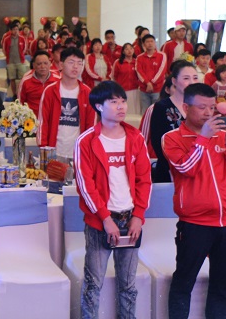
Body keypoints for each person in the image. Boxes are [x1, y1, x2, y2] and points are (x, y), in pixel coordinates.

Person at [163, 83, 226, 318]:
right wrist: (203, 139)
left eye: (212, 107)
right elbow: (185, 168)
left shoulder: (223, 135)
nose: (209, 113)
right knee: (183, 283)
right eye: (202, 108)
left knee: (222, 287)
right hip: (195, 225)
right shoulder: (172, 138)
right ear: (185, 108)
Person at [74, 81, 152, 319]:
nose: (121, 106)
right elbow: (85, 185)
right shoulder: (86, 140)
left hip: (130, 218)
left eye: (123, 101)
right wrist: (105, 218)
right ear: (99, 106)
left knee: (128, 285)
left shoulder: (135, 137)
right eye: (114, 101)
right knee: (93, 284)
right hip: (100, 222)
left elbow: (144, 180)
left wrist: (138, 215)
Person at [38, 47, 95, 163]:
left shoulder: (87, 92)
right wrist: (44, 148)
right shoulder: (50, 91)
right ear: (61, 65)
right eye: (71, 62)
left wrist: (88, 150)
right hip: (54, 151)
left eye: (80, 63)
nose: (76, 67)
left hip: (78, 152)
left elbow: (91, 126)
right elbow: (42, 122)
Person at [148, 60, 199, 182]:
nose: (192, 82)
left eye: (195, 78)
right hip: (169, 170)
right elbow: (158, 142)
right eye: (186, 78)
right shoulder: (161, 107)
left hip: (197, 168)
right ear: (174, 81)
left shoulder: (200, 106)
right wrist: (178, 165)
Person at [18, 50, 60, 116]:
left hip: (53, 117)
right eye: (39, 64)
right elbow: (19, 104)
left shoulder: (58, 80)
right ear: (34, 65)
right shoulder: (25, 81)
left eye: (45, 63)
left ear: (50, 64)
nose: (43, 67)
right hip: (32, 119)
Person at [135, 34, 168, 110]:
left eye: (151, 41)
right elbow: (139, 71)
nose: (150, 43)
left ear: (155, 43)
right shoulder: (139, 57)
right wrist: (147, 83)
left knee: (157, 111)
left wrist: (151, 83)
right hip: (144, 89)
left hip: (157, 89)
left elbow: (161, 71)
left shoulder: (162, 55)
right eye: (147, 42)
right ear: (143, 44)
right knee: (145, 111)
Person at [110, 43, 140, 115]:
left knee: (135, 111)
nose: (129, 51)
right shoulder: (118, 62)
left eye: (131, 48)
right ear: (123, 51)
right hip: (122, 91)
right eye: (126, 49)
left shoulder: (137, 62)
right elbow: (113, 77)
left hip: (135, 90)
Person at [2, 21, 28, 96]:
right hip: (10, 62)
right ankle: (14, 94)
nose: (16, 31)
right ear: (10, 30)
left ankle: (22, 93)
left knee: (23, 78)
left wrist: (21, 55)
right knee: (12, 79)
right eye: (14, 29)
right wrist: (8, 56)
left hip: (20, 61)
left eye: (17, 29)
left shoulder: (22, 38)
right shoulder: (6, 39)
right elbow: (4, 50)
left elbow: (24, 49)